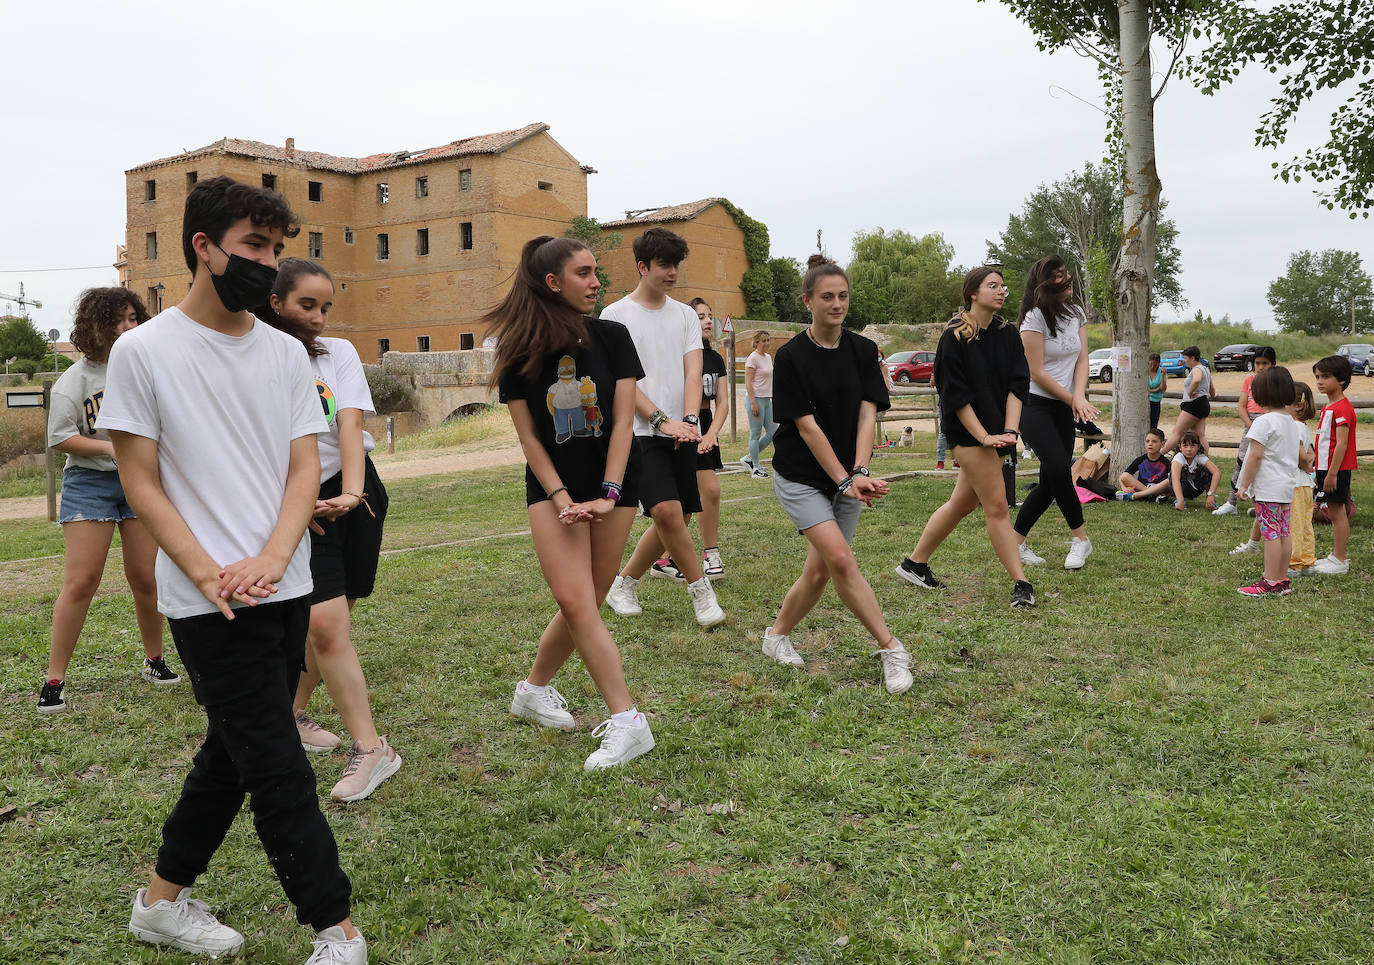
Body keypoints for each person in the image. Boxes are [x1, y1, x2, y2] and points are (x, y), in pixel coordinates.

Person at [99, 177, 366, 962]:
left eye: (276, 249)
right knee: (279, 765)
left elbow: (299, 472)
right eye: (254, 247)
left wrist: (277, 557)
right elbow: (139, 480)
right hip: (207, 601)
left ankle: (158, 903)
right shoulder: (142, 351)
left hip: (284, 585)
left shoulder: (287, 352)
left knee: (233, 749)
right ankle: (336, 930)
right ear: (203, 247)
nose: (268, 264)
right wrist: (208, 569)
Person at [489, 235, 655, 770]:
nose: (596, 282)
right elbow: (531, 441)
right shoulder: (519, 351)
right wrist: (562, 498)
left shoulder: (614, 336)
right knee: (579, 601)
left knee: (589, 595)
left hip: (614, 484)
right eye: (584, 273)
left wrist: (607, 494)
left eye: (596, 273)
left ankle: (533, 691)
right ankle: (629, 721)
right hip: (553, 489)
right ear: (552, 282)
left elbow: (625, 421)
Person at [259, 259, 400, 803]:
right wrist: (298, 504)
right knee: (323, 626)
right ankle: (372, 749)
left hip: (354, 493)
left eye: (325, 307)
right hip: (300, 502)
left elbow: (350, 423)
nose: (318, 318)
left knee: (334, 623)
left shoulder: (336, 353)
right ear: (275, 303)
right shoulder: (257, 356)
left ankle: (292, 713)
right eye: (306, 305)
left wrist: (353, 493)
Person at [761, 255, 912, 693]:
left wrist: (860, 469)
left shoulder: (864, 350)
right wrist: (846, 481)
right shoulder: (789, 357)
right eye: (827, 297)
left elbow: (868, 414)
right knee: (842, 560)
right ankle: (891, 648)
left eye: (843, 296)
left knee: (821, 571)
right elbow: (806, 427)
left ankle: (776, 636)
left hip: (849, 475)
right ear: (807, 301)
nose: (837, 304)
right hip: (800, 476)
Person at [37, 288, 179, 714]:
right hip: (89, 484)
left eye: (136, 318)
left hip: (140, 482)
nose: (132, 326)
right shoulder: (74, 382)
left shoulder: (146, 369)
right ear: (97, 327)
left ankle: (154, 660)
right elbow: (60, 437)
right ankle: (54, 680)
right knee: (82, 581)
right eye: (122, 319)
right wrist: (109, 451)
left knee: (146, 578)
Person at [602, 228, 725, 627]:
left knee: (677, 518)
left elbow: (693, 370)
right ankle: (701, 593)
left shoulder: (686, 315)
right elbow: (624, 384)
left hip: (680, 429)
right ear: (642, 267)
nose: (673, 272)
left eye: (677, 265)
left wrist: (689, 420)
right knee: (668, 512)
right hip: (638, 433)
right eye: (664, 265)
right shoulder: (615, 316)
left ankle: (623, 583)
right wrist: (659, 420)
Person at [896, 265, 1035, 609]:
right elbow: (954, 396)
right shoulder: (954, 337)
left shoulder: (1008, 334)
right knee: (998, 507)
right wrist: (984, 437)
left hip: (998, 434)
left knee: (962, 503)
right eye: (993, 285)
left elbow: (1018, 385)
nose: (1001, 290)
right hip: (968, 432)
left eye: (1003, 285)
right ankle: (1022, 583)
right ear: (973, 293)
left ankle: (914, 564)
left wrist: (1010, 431)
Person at [1010, 255, 1098, 571]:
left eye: (1067, 272)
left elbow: (1083, 359)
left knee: (1050, 480)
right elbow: (1035, 372)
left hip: (1064, 406)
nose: (1068, 278)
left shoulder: (1076, 313)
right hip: (1034, 405)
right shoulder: (1034, 319)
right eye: (1060, 275)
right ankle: (1081, 539)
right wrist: (1074, 399)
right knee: (1060, 468)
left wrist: (1077, 396)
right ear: (1046, 283)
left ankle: (1015, 543)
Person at [652, 298, 729, 580]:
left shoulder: (715, 358)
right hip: (683, 427)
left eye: (709, 316)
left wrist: (711, 433)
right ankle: (676, 558)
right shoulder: (677, 356)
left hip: (706, 425)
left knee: (701, 496)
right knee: (688, 501)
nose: (708, 321)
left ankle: (692, 556)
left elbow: (723, 403)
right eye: (700, 317)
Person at [1234, 366, 1300, 596]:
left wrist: (1243, 485)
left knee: (1270, 533)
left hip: (1268, 488)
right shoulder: (1291, 422)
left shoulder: (1263, 422)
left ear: (1262, 394)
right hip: (1285, 487)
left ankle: (1270, 581)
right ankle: (1281, 579)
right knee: (1283, 533)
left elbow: (1255, 455)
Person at [1215, 346, 1276, 516]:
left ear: (1273, 364)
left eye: (1265, 363)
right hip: (1251, 425)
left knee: (1268, 463)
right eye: (1258, 363)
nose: (1261, 367)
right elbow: (1242, 406)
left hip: (1270, 424)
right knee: (1242, 462)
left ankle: (1267, 503)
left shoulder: (1276, 382)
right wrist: (1250, 424)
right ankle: (1231, 502)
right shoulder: (1249, 381)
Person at [1312, 354, 1357, 574]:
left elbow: (1341, 445)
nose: (1320, 381)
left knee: (1338, 513)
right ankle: (1334, 555)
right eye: (1318, 376)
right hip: (1324, 467)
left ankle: (1340, 559)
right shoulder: (1329, 406)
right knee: (1332, 509)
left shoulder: (1343, 408)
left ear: (1341, 380)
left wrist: (1332, 474)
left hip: (1335, 469)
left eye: (1326, 376)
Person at [1079, 427, 1171, 501]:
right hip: (1143, 487)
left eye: (1154, 441)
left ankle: (1142, 496)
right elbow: (1123, 477)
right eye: (1147, 441)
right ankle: (1150, 495)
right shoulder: (1141, 460)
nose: (1150, 444)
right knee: (1125, 476)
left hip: (1158, 488)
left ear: (1162, 444)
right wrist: (1124, 488)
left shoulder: (1166, 462)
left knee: (1169, 480)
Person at [1287, 382, 1318, 578]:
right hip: (1306, 484)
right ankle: (1308, 562)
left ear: (1298, 404)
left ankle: (1294, 563)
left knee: (1295, 524)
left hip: (1296, 483)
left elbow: (1302, 456)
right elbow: (1310, 453)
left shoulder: (1294, 426)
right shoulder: (1304, 427)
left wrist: (1306, 464)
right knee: (1306, 523)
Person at [1161, 346, 1211, 454]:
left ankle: (1158, 455)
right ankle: (1204, 460)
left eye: (1185, 358)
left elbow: (1197, 380)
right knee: (1200, 434)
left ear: (1192, 358)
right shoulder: (1205, 369)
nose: (1184, 360)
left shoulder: (1197, 369)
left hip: (1194, 404)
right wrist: (1213, 394)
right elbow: (1212, 389)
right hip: (1203, 403)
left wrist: (1190, 391)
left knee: (1177, 432)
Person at [740, 330, 777, 478]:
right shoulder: (752, 358)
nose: (767, 343)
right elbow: (748, 381)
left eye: (768, 340)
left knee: (773, 432)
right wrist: (753, 402)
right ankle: (755, 467)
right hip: (755, 400)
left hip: (767, 400)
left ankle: (749, 458)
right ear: (756, 342)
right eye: (764, 340)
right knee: (755, 434)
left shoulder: (768, 357)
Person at [1164, 430, 1220, 510]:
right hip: (1180, 489)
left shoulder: (1200, 457)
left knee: (1207, 470)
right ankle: (1179, 499)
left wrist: (1211, 494)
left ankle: (1211, 501)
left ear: (1199, 446)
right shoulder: (1178, 458)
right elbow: (1175, 479)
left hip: (1196, 489)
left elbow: (1217, 473)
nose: (1189, 449)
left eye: (1192, 445)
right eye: (1185, 446)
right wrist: (1180, 499)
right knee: (1181, 472)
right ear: (1180, 447)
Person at [1147, 352, 1167, 429]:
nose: (1152, 367)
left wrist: (1163, 376)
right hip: (1145, 401)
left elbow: (1163, 389)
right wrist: (1156, 389)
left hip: (1155, 401)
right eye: (1150, 364)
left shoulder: (1161, 372)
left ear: (1158, 364)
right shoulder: (1145, 371)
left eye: (1155, 365)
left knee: (1153, 425)